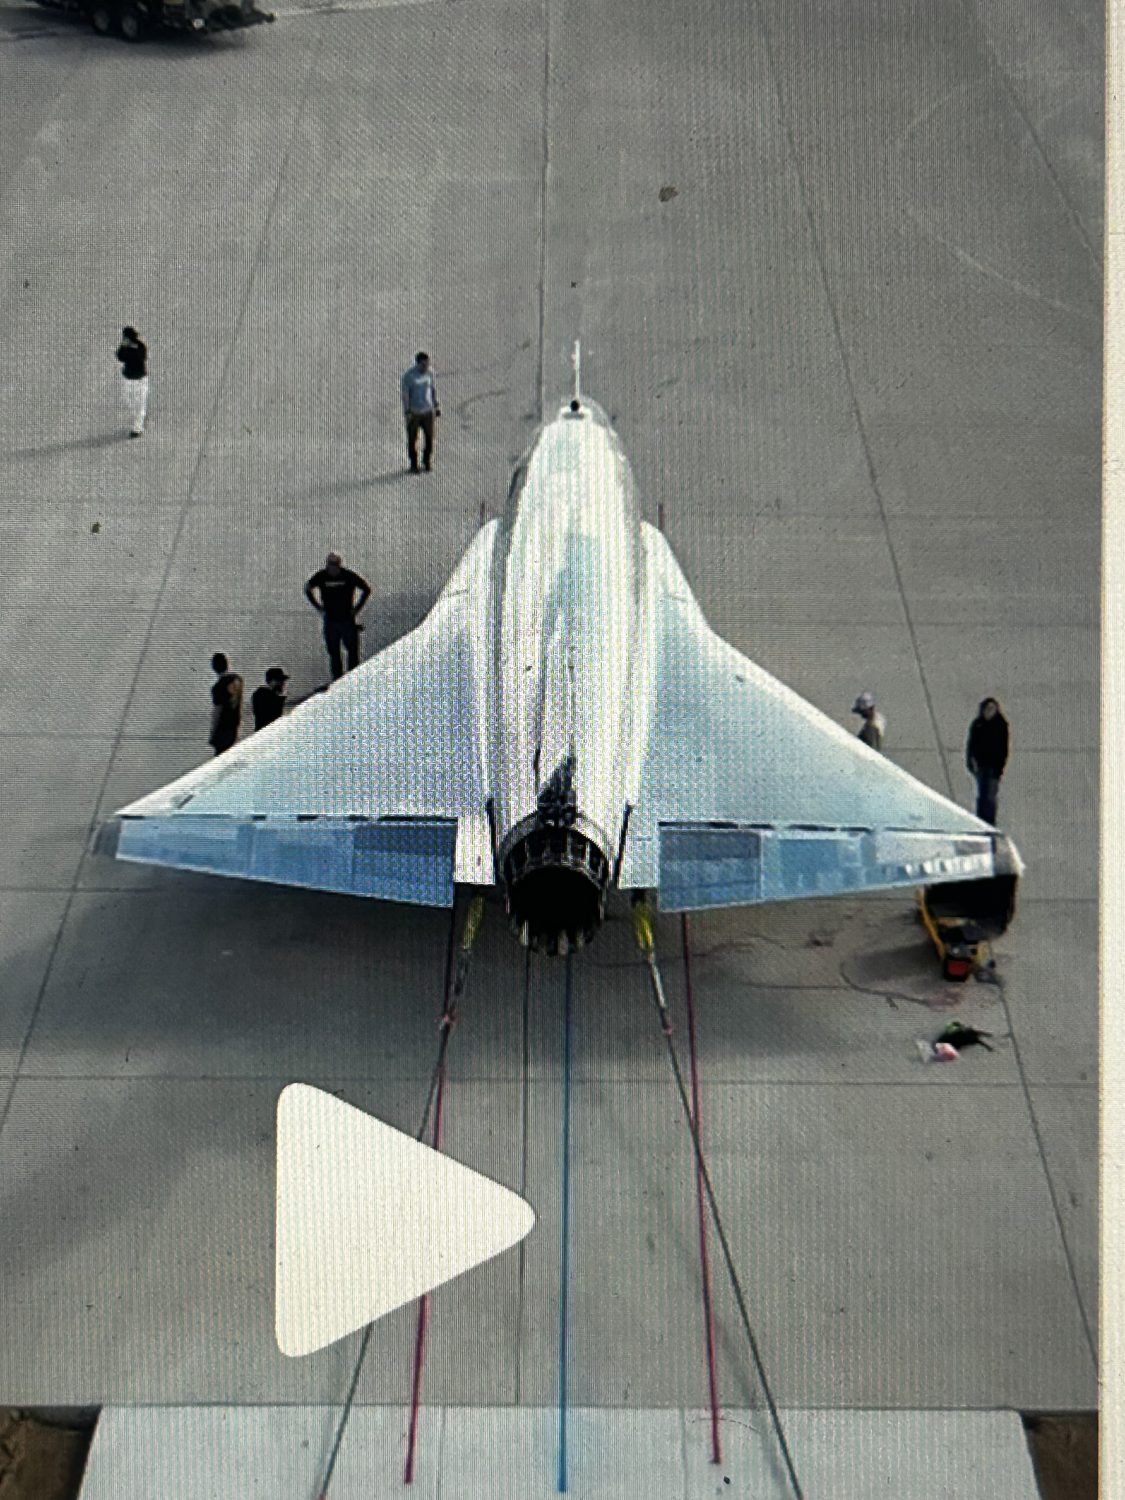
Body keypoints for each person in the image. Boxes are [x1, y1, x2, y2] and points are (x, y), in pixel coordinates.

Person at [304, 552, 372, 679]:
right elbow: (307, 588)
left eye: (336, 565)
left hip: (347, 618)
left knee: (352, 651)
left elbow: (366, 589)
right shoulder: (321, 576)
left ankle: (353, 678)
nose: (334, 568)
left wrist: (357, 609)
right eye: (331, 565)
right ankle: (337, 681)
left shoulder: (348, 576)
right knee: (334, 653)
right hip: (330, 619)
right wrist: (318, 607)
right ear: (327, 565)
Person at [966, 697, 1010, 824]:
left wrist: (1000, 767)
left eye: (992, 709)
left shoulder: (1000, 725)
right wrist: (971, 762)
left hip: (994, 767)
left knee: (990, 796)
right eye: (987, 709)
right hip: (981, 766)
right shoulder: (978, 724)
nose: (989, 712)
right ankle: (981, 820)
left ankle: (990, 821)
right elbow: (971, 745)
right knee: (982, 795)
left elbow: (1003, 748)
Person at [400, 351, 441, 472]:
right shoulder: (408, 376)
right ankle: (414, 464)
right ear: (417, 363)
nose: (425, 367)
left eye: (427, 364)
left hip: (428, 412)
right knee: (413, 439)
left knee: (429, 438)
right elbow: (405, 395)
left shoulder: (430, 373)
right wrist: (407, 411)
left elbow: (432, 390)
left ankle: (427, 461)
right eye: (423, 364)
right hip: (415, 413)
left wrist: (436, 405)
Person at [115, 326, 148, 437]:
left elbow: (140, 357)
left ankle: (137, 428)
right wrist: (124, 347)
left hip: (140, 379)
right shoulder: (124, 347)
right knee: (130, 402)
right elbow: (120, 357)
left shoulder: (140, 346)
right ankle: (136, 423)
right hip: (128, 379)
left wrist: (130, 349)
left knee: (140, 403)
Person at [209, 653, 243, 755]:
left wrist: (212, 732)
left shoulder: (218, 687)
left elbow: (217, 711)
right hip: (234, 726)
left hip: (222, 730)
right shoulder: (238, 680)